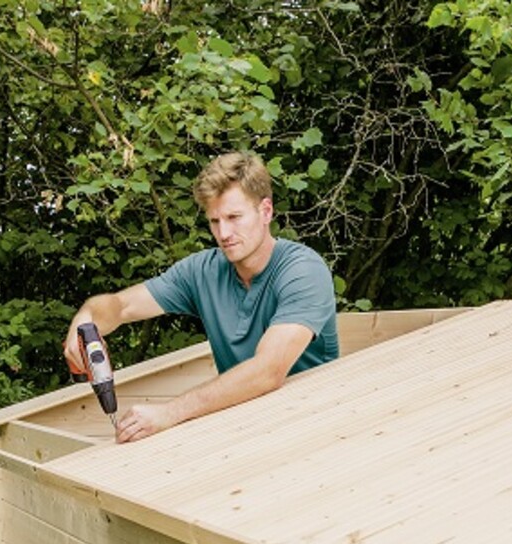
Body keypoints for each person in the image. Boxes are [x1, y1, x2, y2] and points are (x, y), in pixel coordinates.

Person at [64, 151, 339, 443]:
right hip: (246, 428)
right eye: (214, 221)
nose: (224, 233)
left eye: (234, 217)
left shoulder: (303, 270)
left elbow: (267, 370)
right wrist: (86, 317)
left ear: (266, 211)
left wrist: (169, 412)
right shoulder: (202, 271)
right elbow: (122, 306)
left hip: (316, 428)